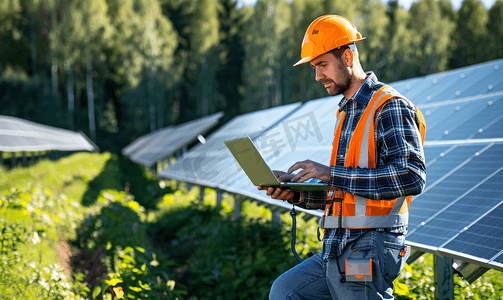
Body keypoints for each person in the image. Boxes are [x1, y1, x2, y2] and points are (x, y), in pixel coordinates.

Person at [258, 15, 426, 300]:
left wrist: (329, 173)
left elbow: (411, 176)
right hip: (337, 245)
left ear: (347, 56)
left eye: (322, 65)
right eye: (314, 67)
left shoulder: (389, 106)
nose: (317, 76)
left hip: (369, 245)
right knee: (286, 292)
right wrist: (294, 194)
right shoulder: (347, 112)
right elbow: (346, 194)